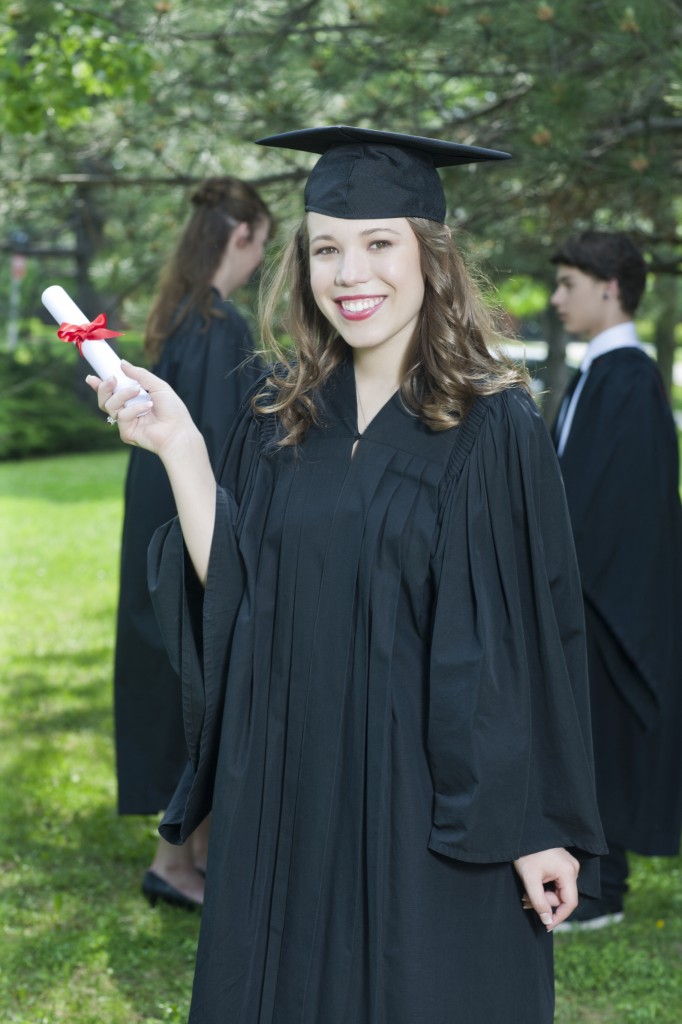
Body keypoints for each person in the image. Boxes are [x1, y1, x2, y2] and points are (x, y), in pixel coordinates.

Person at [89, 126, 606, 1023]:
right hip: (292, 781)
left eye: (378, 244)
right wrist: (179, 446)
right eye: (327, 247)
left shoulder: (492, 426)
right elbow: (244, 594)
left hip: (430, 800)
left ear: (431, 258)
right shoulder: (280, 416)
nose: (349, 273)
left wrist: (540, 825)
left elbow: (533, 636)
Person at [114, 176, 273, 910]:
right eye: (262, 247)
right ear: (241, 234)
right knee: (205, 690)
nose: (258, 263)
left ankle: (199, 855)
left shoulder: (181, 317)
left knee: (198, 685)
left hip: (159, 527)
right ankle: (175, 864)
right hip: (192, 525)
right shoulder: (218, 324)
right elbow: (218, 445)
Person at [550, 230, 682, 930]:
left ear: (609, 286)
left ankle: (598, 892)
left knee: (599, 744)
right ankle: (591, 885)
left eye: (568, 284)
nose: (556, 298)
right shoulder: (601, 373)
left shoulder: (627, 375)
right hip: (591, 592)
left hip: (605, 599)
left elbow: (612, 505)